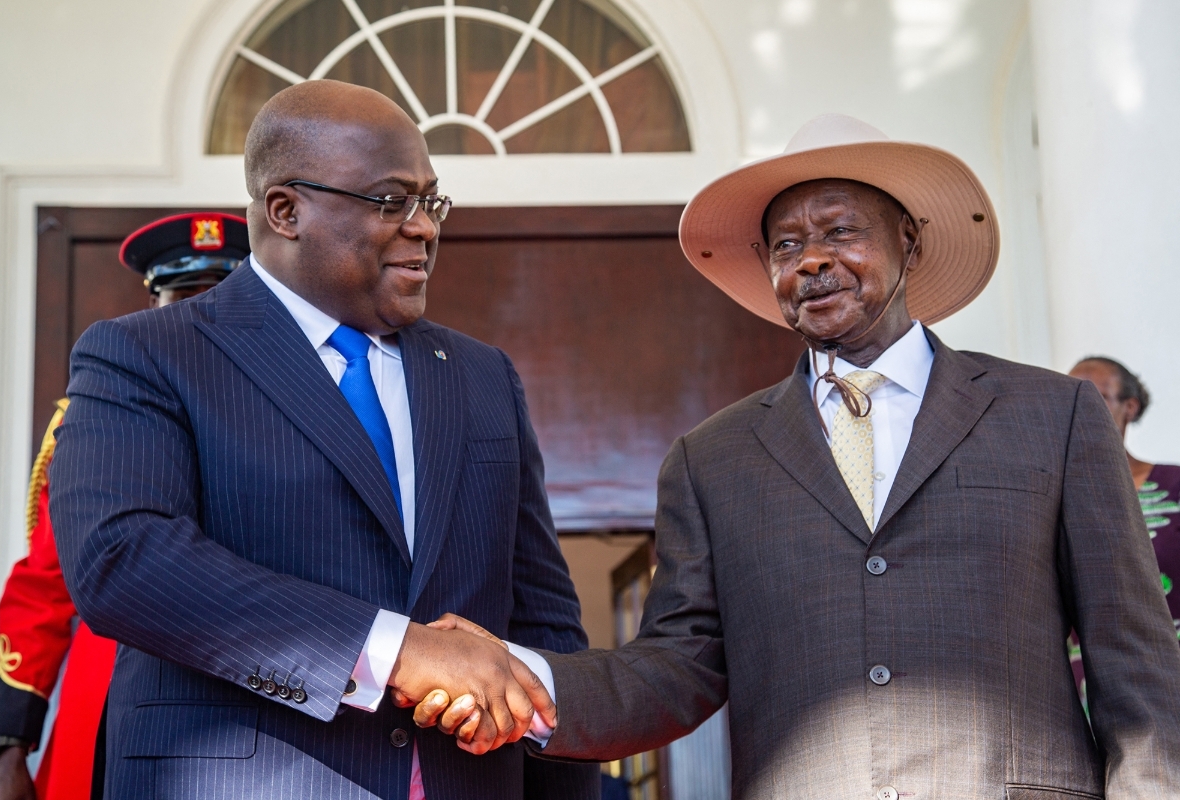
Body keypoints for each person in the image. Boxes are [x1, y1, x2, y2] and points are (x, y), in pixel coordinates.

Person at [415, 115, 1180, 798]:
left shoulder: (1054, 415)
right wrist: (517, 676)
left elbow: (1135, 665)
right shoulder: (711, 460)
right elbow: (673, 671)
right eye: (787, 245)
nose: (812, 261)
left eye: (841, 232)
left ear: (907, 242)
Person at [48, 80, 597, 800]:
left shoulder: (482, 375)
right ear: (286, 210)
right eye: (390, 201)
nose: (425, 228)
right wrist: (398, 650)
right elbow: (123, 561)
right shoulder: (146, 354)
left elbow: (544, 621)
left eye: (429, 202)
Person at [0, 212, 246, 800]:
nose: (197, 316)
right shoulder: (90, 417)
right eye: (182, 297)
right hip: (106, 690)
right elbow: (45, 586)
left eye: (218, 297)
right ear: (154, 305)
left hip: (265, 689)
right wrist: (8, 746)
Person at [1066, 356, 1180, 704]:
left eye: (1097, 397)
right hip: (1083, 692)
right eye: (1067, 398)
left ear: (1129, 406)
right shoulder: (1053, 496)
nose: (1077, 409)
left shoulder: (1174, 485)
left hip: (1170, 680)